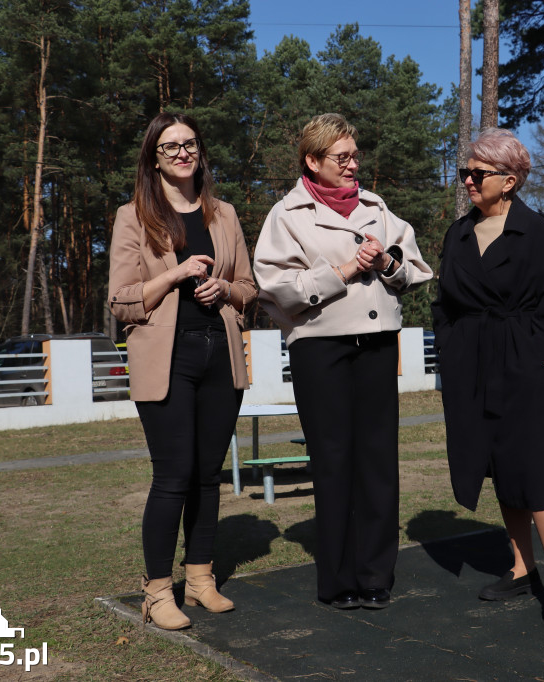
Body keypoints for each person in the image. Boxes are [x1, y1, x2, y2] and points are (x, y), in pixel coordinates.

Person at [254, 113, 433, 610]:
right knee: (333, 463)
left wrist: (387, 264)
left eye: (355, 155)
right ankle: (336, 581)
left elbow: (414, 268)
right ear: (313, 161)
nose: (354, 165)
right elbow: (275, 290)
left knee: (378, 463)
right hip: (320, 349)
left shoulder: (377, 207)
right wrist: (343, 271)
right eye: (343, 157)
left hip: (376, 345)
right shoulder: (286, 215)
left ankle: (376, 576)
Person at [108, 112, 257, 630]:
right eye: (169, 148)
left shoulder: (225, 215)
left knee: (208, 476)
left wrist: (227, 289)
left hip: (221, 355)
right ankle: (155, 591)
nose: (181, 154)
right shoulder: (133, 217)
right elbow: (122, 302)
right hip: (167, 359)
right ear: (154, 157)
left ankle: (199, 580)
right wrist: (175, 273)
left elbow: (250, 290)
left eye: (189, 144)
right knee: (173, 476)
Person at [431, 127, 544, 619]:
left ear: (510, 180)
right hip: (470, 364)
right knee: (497, 464)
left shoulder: (536, 231)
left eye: (478, 173)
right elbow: (444, 304)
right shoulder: (458, 233)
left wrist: (543, 357)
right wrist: (451, 350)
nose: (468, 181)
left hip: (523, 362)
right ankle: (522, 568)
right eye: (465, 172)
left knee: (534, 464)